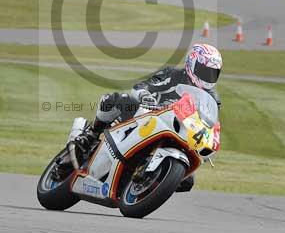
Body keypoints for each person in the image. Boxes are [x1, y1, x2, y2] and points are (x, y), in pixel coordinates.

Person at [75, 43, 223, 191]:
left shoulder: (212, 98)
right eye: (204, 71)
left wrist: (210, 138)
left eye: (213, 73)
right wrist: (145, 95)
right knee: (116, 100)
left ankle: (148, 183)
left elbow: (210, 122)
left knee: (187, 181)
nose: (208, 77)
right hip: (148, 115)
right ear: (192, 64)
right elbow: (142, 86)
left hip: (180, 132)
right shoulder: (173, 75)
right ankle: (92, 134)